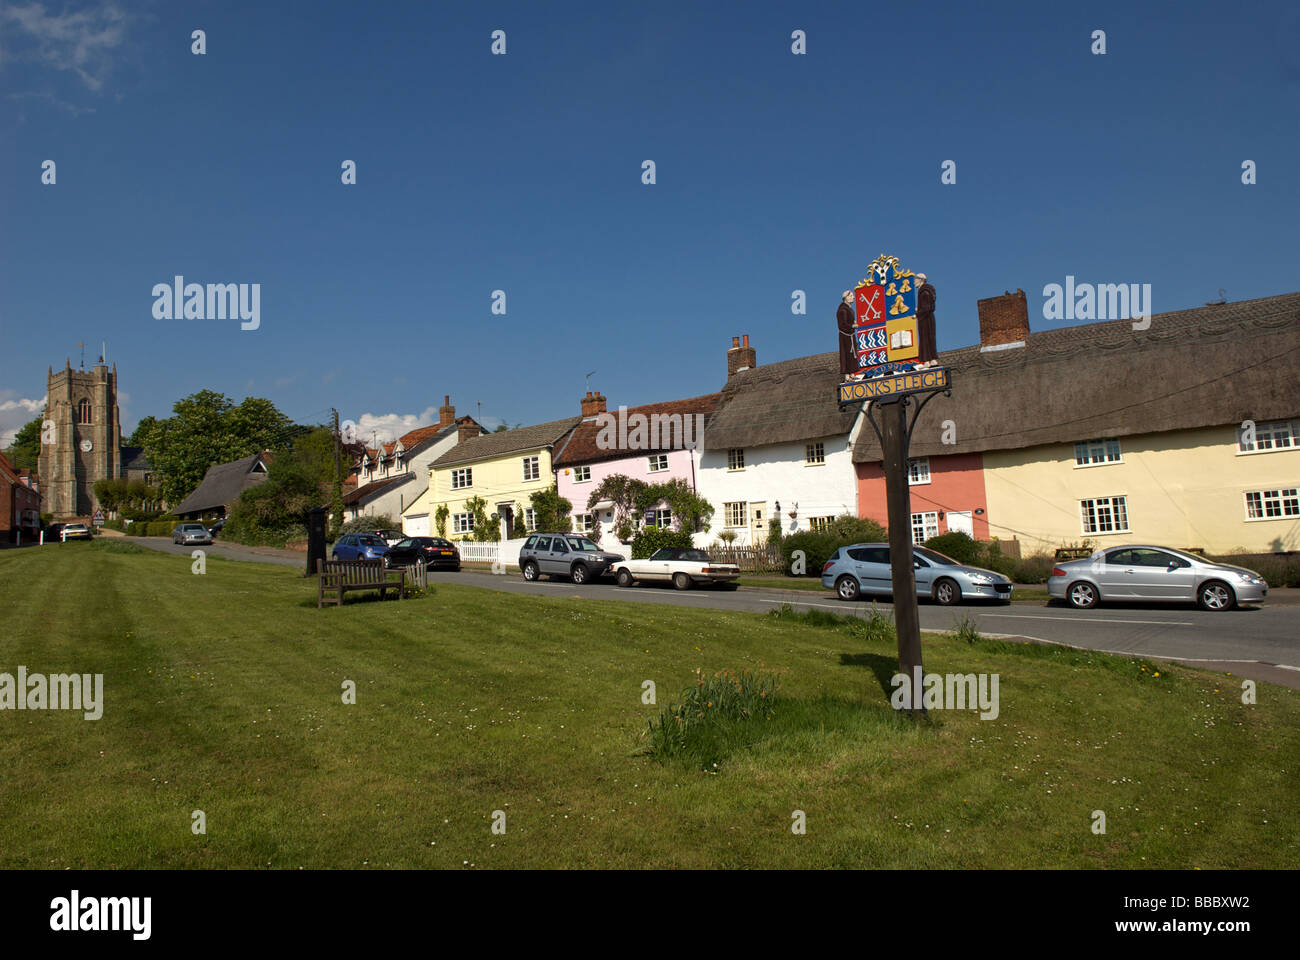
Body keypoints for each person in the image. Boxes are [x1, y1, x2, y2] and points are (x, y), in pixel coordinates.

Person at [915, 273, 938, 367]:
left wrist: (917, 314)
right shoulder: (924, 291)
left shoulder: (924, 291)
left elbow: (926, 307)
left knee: (926, 339)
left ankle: (929, 360)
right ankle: (928, 360)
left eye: (916, 280)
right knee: (927, 338)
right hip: (926, 318)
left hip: (925, 318)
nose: (914, 282)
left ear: (921, 280)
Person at [837, 290, 858, 378]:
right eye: (851, 296)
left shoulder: (849, 309)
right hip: (845, 335)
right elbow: (842, 324)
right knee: (846, 354)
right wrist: (852, 326)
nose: (853, 297)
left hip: (850, 334)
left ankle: (852, 373)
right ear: (846, 298)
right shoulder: (843, 310)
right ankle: (847, 375)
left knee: (852, 353)